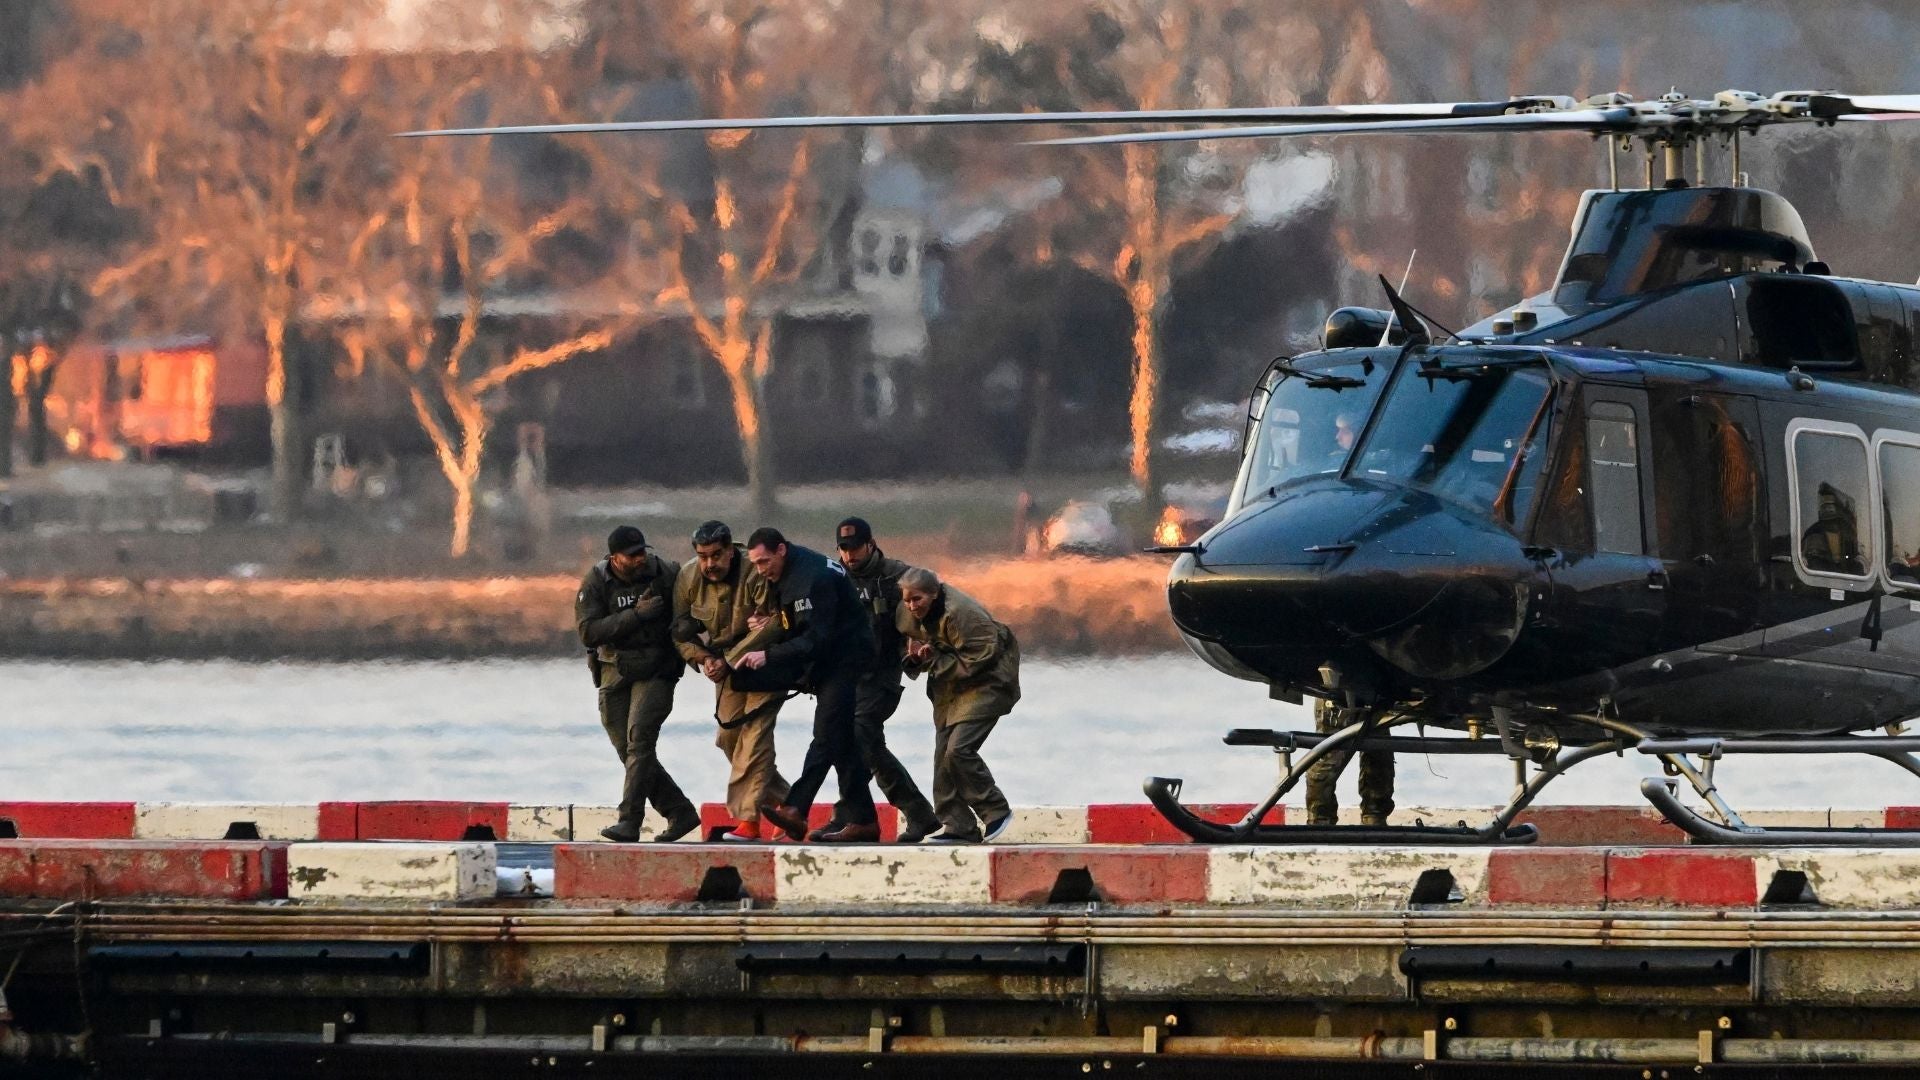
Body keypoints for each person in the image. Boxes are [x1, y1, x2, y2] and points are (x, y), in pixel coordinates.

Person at [736, 527, 881, 844]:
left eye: (764, 562)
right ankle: (864, 820)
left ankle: (795, 808)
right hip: (826, 661)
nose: (760, 570)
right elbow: (794, 623)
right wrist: (767, 625)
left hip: (846, 658)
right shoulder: (783, 574)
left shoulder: (814, 577)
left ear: (781, 550)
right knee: (841, 741)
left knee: (826, 733)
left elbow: (817, 638)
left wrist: (769, 655)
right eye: (755, 564)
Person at [812, 517, 942, 843]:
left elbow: (933, 602)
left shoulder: (897, 576)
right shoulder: (833, 578)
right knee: (848, 741)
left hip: (882, 675)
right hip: (847, 676)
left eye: (856, 547)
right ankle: (855, 815)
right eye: (844, 548)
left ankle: (901, 814)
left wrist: (919, 642)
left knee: (860, 734)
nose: (850, 555)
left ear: (871, 544)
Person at [575, 525, 700, 843]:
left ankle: (629, 821)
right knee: (626, 749)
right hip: (614, 669)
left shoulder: (666, 573)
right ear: (614, 558)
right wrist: (636, 615)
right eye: (631, 555)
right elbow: (589, 631)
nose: (640, 558)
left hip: (657, 669)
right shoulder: (596, 581)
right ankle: (679, 811)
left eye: (642, 551)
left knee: (639, 741)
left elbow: (688, 614)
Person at [671, 520, 790, 842]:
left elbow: (775, 624)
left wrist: (730, 659)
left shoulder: (755, 571)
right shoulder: (688, 577)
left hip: (766, 662)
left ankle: (747, 822)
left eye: (716, 555)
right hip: (724, 667)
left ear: (730, 551)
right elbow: (679, 630)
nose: (709, 563)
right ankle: (789, 802)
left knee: (755, 737)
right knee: (729, 738)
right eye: (703, 556)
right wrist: (703, 658)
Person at [897, 567, 1015, 844]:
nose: (912, 606)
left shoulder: (962, 613)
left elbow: (982, 657)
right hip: (949, 687)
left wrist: (935, 659)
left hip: (988, 681)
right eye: (907, 600)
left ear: (934, 593)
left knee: (959, 749)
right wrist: (916, 658)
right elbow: (913, 642)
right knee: (943, 755)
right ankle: (958, 825)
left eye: (918, 599)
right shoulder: (907, 613)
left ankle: (995, 810)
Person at [1304, 698, 1394, 827]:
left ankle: (1374, 818)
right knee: (1328, 759)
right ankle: (1320, 821)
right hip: (1339, 697)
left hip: (1380, 695)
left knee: (1379, 755)